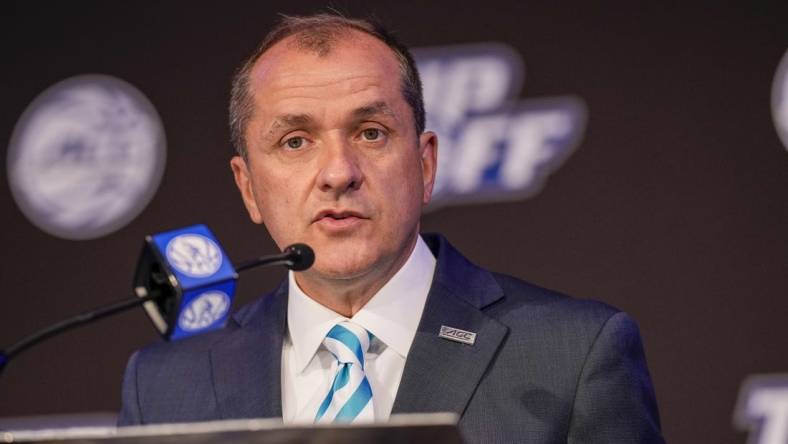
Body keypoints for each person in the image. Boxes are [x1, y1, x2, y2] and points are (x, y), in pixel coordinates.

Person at [119, 13, 664, 443]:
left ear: (425, 165)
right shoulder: (165, 388)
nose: (337, 173)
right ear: (248, 188)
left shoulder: (573, 354)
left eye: (371, 133)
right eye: (295, 142)